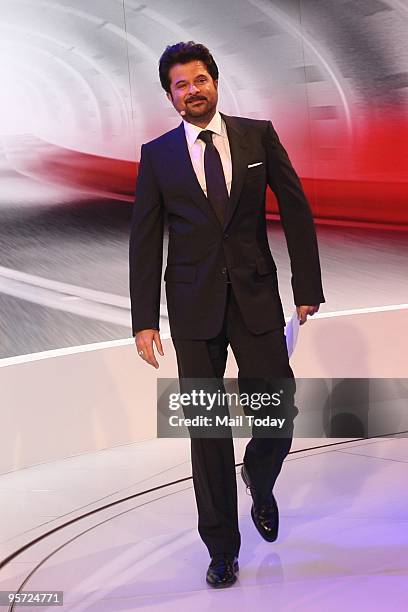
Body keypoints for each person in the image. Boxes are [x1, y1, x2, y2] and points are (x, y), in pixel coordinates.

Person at [129, 41, 325, 588]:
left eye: (199, 80)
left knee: (277, 414)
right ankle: (221, 547)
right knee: (207, 430)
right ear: (170, 95)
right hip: (192, 309)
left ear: (216, 81)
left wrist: (306, 284)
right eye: (180, 85)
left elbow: (296, 208)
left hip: (256, 296)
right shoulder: (157, 154)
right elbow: (145, 242)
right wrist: (143, 319)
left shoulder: (258, 135)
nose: (192, 92)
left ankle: (259, 477)